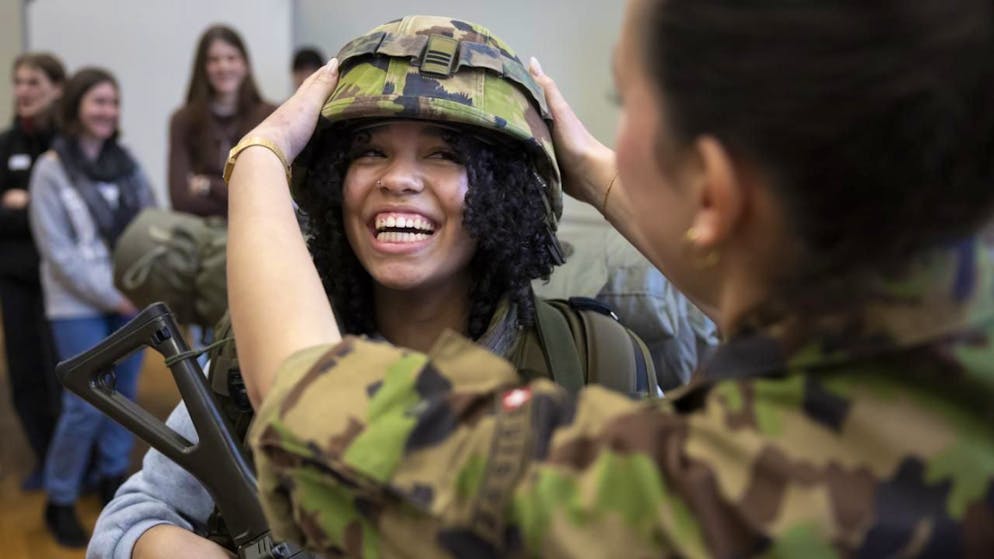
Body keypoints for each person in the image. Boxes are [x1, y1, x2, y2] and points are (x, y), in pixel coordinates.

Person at [229, 0, 994, 556]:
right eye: (371, 152)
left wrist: (259, 158)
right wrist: (595, 173)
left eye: (626, 107)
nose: (597, 147)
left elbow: (307, 395)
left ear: (716, 189)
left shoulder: (705, 485)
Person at [90, 16, 671, 558]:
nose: (398, 179)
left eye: (445, 154)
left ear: (503, 192)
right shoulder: (246, 358)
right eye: (370, 151)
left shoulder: (594, 362)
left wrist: (598, 172)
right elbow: (130, 521)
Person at [29, 67, 157, 548]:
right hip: (75, 303)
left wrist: (144, 283)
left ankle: (110, 478)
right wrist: (116, 294)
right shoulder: (50, 169)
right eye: (98, 101)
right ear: (76, 106)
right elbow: (58, 254)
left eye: (113, 103)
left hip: (129, 298)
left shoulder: (126, 162)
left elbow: (152, 221)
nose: (107, 111)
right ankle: (59, 497)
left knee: (122, 400)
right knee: (85, 405)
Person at [0, 52, 65, 492]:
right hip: (17, 280)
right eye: (18, 82)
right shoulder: (6, 145)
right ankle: (46, 458)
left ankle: (75, 462)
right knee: (26, 375)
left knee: (63, 372)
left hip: (64, 283)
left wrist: (25, 205)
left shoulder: (69, 144)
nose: (23, 91)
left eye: (34, 83)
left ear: (57, 89)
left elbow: (67, 218)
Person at [168, 25, 274, 218]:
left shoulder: (270, 116)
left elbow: (272, 194)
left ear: (245, 65)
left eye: (231, 58)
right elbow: (180, 199)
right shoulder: (183, 120)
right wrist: (242, 195)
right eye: (213, 60)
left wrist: (207, 186)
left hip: (257, 226)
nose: (223, 66)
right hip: (202, 232)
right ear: (203, 68)